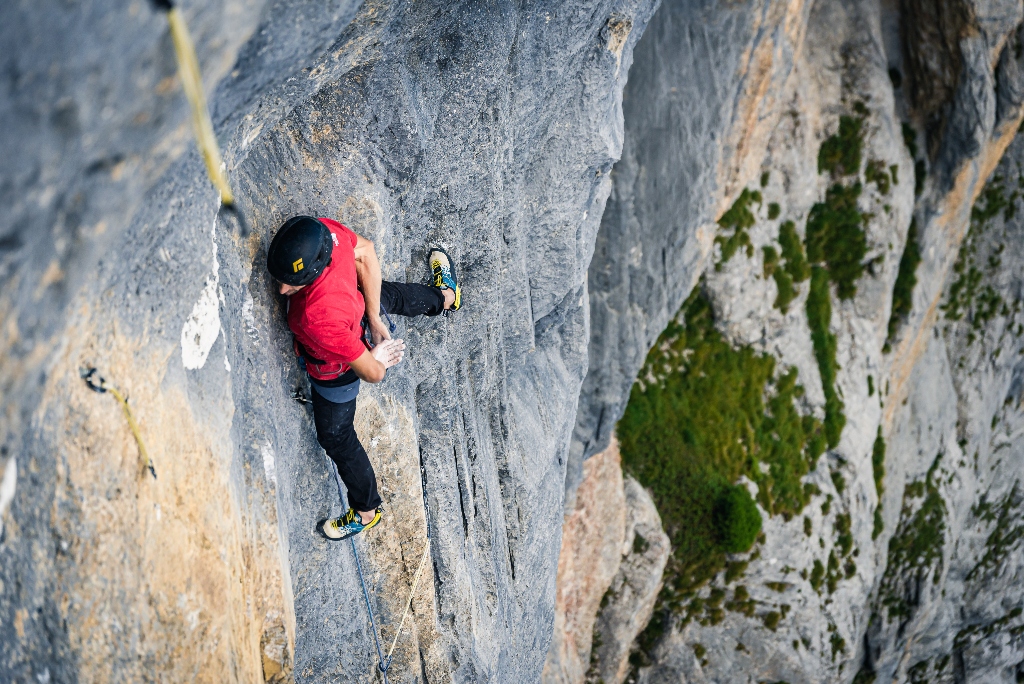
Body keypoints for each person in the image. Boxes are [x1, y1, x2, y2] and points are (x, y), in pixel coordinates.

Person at [266, 216, 461, 540]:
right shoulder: (325, 234)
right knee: (390, 298)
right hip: (353, 301)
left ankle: (366, 511)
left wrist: (376, 357)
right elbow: (366, 251)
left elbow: (373, 373)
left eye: (291, 284)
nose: (283, 290)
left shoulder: (316, 317)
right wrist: (372, 315)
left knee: (336, 437)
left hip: (336, 372)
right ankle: (447, 297)